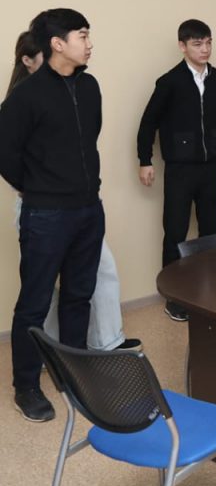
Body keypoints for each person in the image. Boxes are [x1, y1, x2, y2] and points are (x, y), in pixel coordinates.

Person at [2, 32, 139, 354]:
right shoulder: (19, 103)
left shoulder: (76, 93)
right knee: (42, 293)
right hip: (41, 210)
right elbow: (9, 159)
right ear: (28, 61)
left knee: (97, 276)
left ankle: (103, 342)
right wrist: (38, 189)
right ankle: (50, 353)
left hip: (80, 207)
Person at [0, 9, 105, 422]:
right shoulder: (26, 95)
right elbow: (6, 153)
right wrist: (36, 187)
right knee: (35, 303)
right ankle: (26, 386)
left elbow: (89, 138)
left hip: (88, 209)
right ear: (58, 43)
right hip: (46, 214)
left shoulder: (90, 86)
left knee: (79, 295)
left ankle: (73, 373)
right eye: (82, 36)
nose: (89, 43)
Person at [137, 19, 216, 322]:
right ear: (182, 46)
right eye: (198, 44)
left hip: (211, 169)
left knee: (210, 233)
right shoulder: (169, 82)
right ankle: (175, 298)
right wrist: (145, 160)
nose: (205, 49)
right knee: (176, 232)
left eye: (208, 42)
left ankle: (209, 292)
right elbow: (148, 122)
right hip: (180, 169)